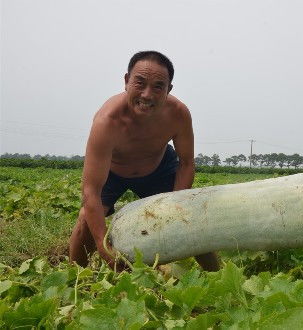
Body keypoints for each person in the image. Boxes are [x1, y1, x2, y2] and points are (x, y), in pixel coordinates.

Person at [69, 51, 220, 271]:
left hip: (158, 167)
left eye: (158, 86)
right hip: (113, 171)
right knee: (85, 219)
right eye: (140, 82)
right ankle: (75, 276)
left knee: (191, 220)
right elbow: (91, 190)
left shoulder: (178, 114)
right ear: (126, 81)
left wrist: (176, 206)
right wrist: (104, 249)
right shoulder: (107, 121)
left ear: (168, 90)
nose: (147, 95)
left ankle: (217, 277)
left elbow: (186, 163)